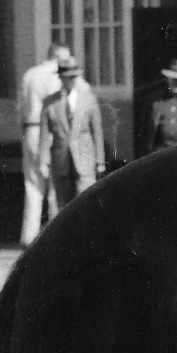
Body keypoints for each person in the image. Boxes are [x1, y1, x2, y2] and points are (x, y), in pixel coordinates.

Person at [18, 43, 80, 245]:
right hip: (49, 130)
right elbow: (59, 107)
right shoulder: (54, 76)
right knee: (56, 184)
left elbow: (20, 106)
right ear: (58, 56)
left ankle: (29, 236)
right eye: (66, 57)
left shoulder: (29, 75)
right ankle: (56, 235)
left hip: (29, 129)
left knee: (33, 185)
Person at [38, 55, 106, 217]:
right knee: (64, 208)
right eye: (66, 78)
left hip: (84, 160)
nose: (70, 81)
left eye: (73, 77)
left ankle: (87, 240)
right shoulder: (50, 102)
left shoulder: (88, 100)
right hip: (61, 162)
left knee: (86, 202)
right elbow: (44, 134)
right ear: (60, 78)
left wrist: (100, 161)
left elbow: (97, 131)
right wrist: (43, 161)